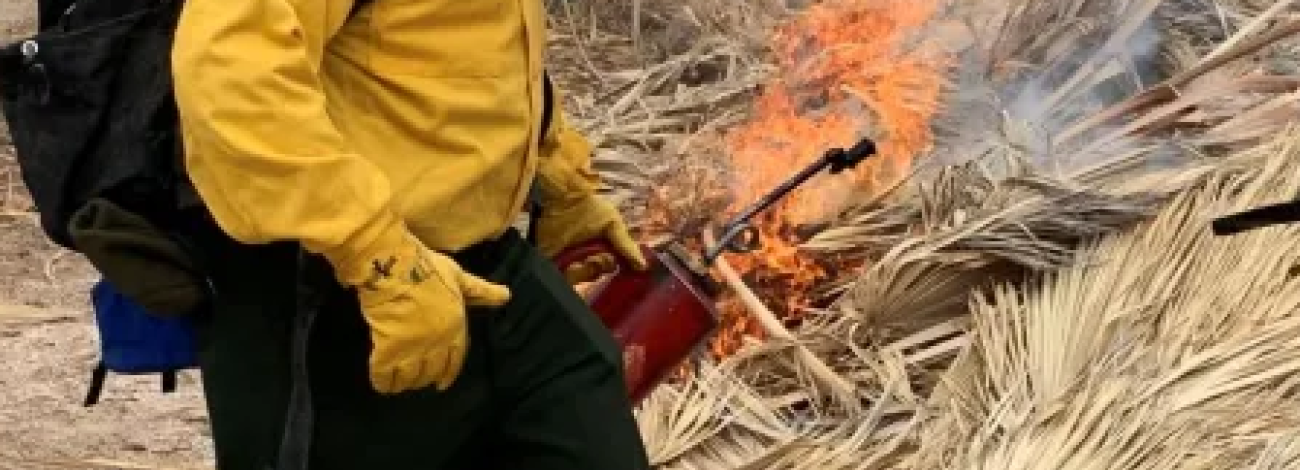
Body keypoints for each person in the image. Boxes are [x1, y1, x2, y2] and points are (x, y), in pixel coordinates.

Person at [167, 0, 654, 468]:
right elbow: (229, 74)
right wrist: (377, 256)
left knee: (585, 404)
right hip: (336, 290)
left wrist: (562, 185)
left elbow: (476, 48)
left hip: (489, 274)